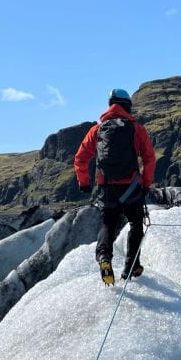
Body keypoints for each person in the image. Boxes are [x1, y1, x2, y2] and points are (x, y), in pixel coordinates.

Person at [74, 89, 156, 285]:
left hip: (107, 187)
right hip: (132, 187)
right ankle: (131, 267)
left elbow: (80, 158)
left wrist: (84, 182)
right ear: (127, 105)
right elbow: (149, 158)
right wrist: (145, 184)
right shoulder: (136, 129)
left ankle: (104, 257)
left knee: (108, 224)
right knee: (136, 224)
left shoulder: (98, 129)